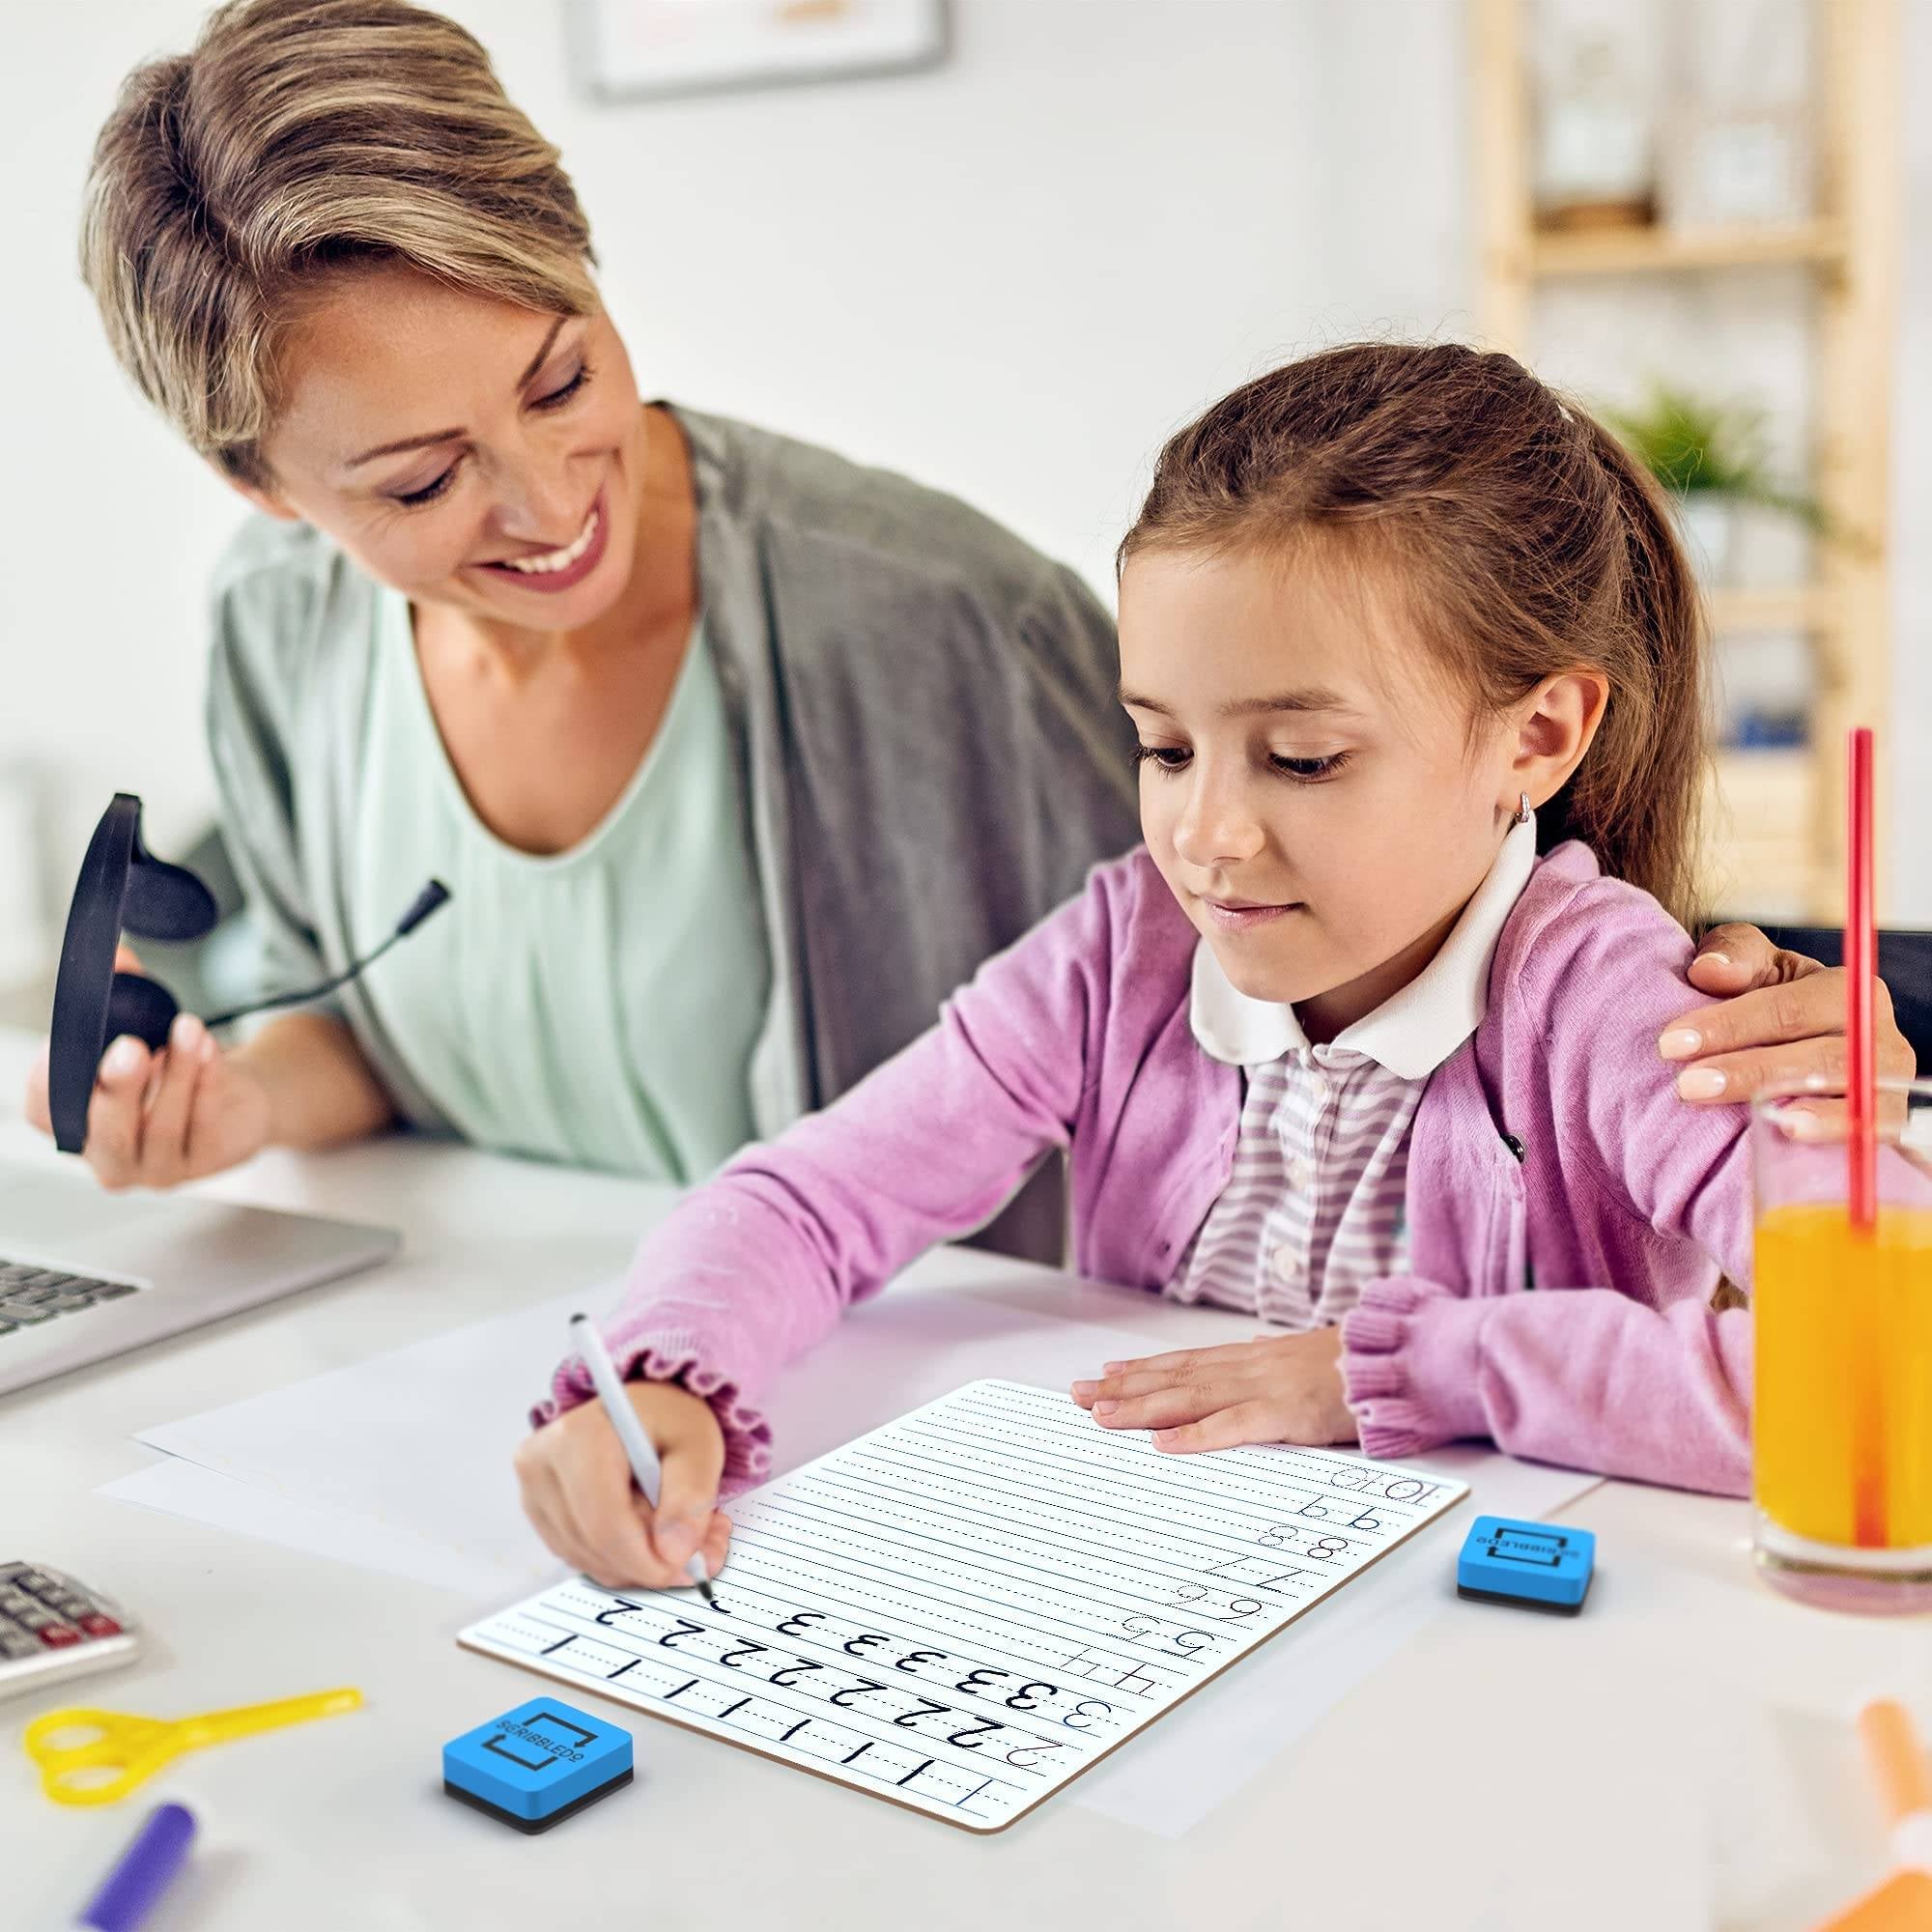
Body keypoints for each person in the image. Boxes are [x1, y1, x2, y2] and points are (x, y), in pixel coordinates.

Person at [27, 1, 1897, 1234]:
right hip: (544, 1397)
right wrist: (240, 1102)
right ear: (265, 491)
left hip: (920, 1432)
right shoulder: (281, 637)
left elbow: (1374, 963)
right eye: (421, 482)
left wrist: (1767, 1072)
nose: (540, 500)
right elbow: (419, 1033)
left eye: (559, 370)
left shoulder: (937, 634)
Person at [515, 343, 1914, 1591]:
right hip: (1172, 1608)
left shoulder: (1621, 1012)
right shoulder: (1120, 957)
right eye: (1164, 747)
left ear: (1537, 739)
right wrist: (661, 1375)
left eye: (1303, 758)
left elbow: (1886, 1375)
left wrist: (1410, 1371)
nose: (1207, 835)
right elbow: (814, 1201)